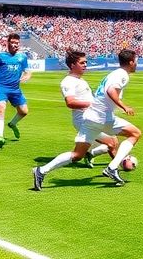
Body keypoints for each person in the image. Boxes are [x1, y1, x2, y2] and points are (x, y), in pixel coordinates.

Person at [31, 50, 119, 190]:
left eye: (86, 62)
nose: (85, 65)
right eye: (82, 63)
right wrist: (93, 105)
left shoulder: (79, 80)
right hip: (84, 120)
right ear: (72, 65)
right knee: (111, 142)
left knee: (86, 152)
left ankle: (42, 171)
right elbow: (70, 103)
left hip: (91, 118)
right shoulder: (68, 82)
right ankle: (113, 170)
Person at [85, 49, 142, 186]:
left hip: (98, 114)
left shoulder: (116, 73)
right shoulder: (122, 74)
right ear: (130, 62)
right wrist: (124, 106)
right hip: (102, 116)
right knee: (135, 133)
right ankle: (112, 167)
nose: (137, 64)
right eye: (136, 61)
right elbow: (111, 91)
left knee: (111, 143)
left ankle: (95, 156)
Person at [0, 33, 32, 148]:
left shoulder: (22, 57)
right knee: (1, 108)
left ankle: (12, 124)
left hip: (15, 89)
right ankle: (0, 137)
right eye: (13, 42)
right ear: (8, 43)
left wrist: (27, 75)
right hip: (1, 88)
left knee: (24, 111)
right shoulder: (0, 56)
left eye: (17, 43)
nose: (15, 45)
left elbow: (27, 71)